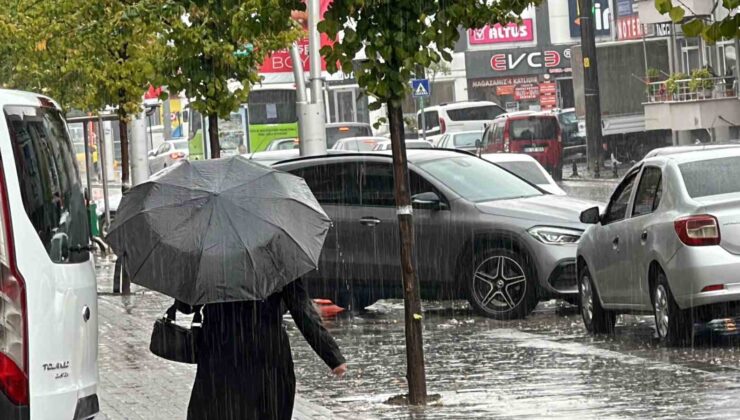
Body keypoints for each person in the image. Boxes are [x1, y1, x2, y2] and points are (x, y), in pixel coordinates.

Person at [181, 278, 347, 420]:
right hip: (267, 358)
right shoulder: (277, 255)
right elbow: (301, 308)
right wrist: (332, 357)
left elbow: (186, 306)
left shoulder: (210, 256)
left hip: (220, 356)